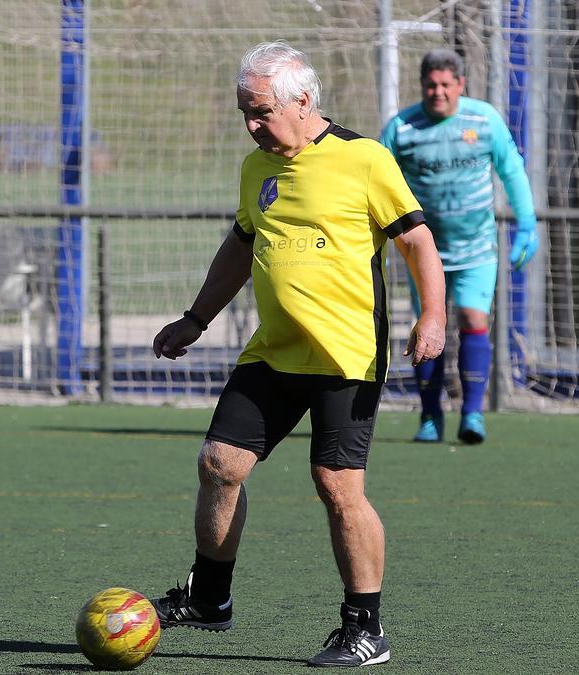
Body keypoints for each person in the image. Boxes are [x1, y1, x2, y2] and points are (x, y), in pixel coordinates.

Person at [150, 41, 445, 668]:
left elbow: (417, 241)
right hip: (273, 353)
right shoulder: (257, 167)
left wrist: (432, 315)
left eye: (260, 111)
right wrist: (196, 318)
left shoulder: (364, 159)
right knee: (220, 464)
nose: (252, 125)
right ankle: (210, 600)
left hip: (345, 356)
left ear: (303, 100)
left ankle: (366, 630)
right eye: (244, 113)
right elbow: (240, 246)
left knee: (338, 487)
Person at [379, 48, 538, 444]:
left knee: (472, 319)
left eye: (445, 85)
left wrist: (527, 224)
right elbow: (375, 180)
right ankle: (430, 416)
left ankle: (472, 414)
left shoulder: (483, 120)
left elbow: (511, 169)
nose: (438, 92)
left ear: (460, 85)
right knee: (427, 328)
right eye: (430, 85)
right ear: (422, 86)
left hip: (476, 247)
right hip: (422, 252)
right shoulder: (402, 128)